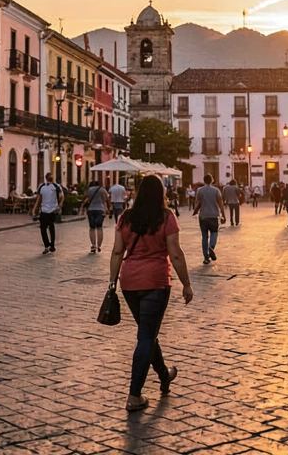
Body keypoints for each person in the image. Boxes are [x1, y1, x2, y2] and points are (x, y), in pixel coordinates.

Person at [108, 175, 192, 412]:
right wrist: (186, 283)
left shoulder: (125, 217)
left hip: (129, 282)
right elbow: (175, 253)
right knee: (146, 335)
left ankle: (164, 375)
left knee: (147, 332)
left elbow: (117, 251)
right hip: (156, 281)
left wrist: (112, 282)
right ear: (161, 193)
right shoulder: (166, 217)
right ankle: (134, 395)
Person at [32, 173, 64, 254]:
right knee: (49, 227)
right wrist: (59, 205)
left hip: (47, 210)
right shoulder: (54, 186)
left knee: (45, 228)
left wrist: (34, 210)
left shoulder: (46, 187)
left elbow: (39, 200)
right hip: (50, 210)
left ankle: (48, 245)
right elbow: (62, 197)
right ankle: (50, 245)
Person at [194, 174, 222, 264]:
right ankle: (211, 247)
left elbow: (197, 202)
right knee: (214, 232)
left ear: (204, 180)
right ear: (212, 180)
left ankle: (206, 257)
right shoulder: (216, 190)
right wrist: (223, 215)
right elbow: (220, 202)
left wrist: (195, 211)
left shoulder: (200, 190)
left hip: (203, 216)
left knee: (204, 236)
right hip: (214, 215)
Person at [84, 178, 109, 254]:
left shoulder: (88, 190)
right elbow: (106, 199)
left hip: (91, 209)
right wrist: (107, 208)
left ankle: (93, 245)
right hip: (100, 209)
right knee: (99, 227)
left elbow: (86, 198)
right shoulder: (102, 190)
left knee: (92, 228)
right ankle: (99, 245)